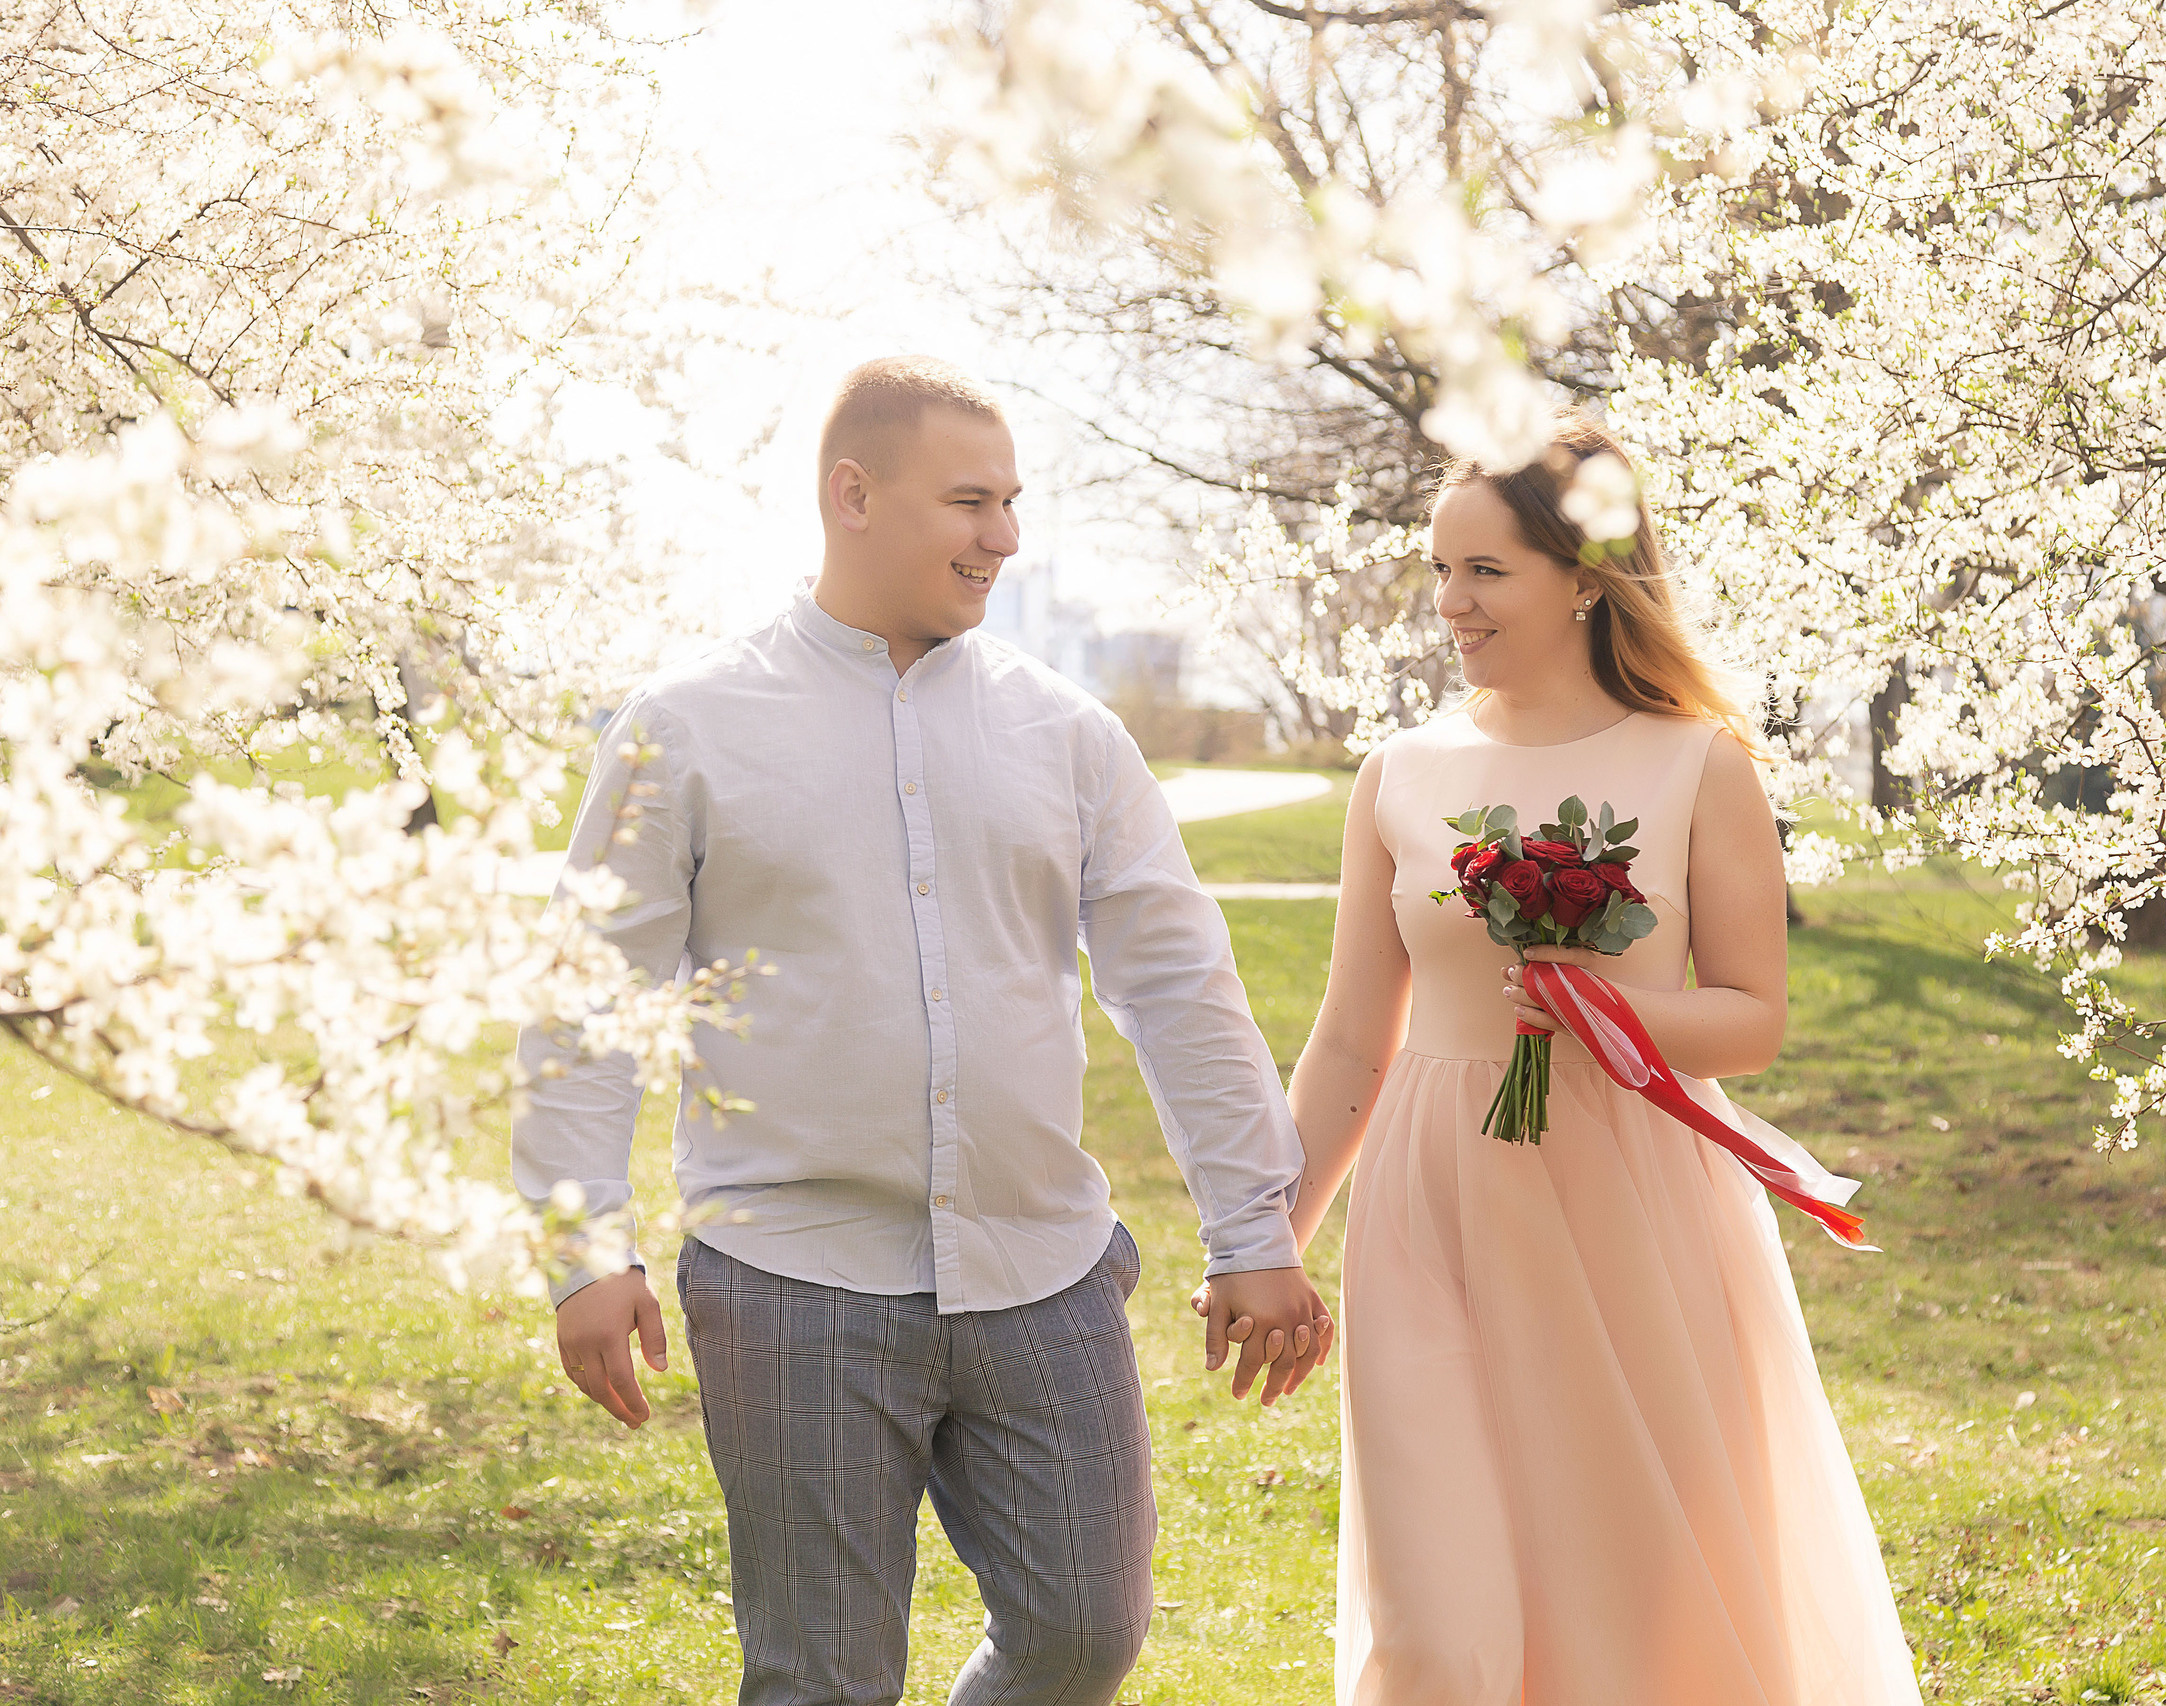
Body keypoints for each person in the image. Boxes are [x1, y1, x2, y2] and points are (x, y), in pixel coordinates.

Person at [512, 356, 1333, 1706]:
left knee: (1085, 1637)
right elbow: (587, 999)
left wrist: (1255, 1231)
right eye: (969, 501)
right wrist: (582, 1246)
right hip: (792, 1277)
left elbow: (1180, 982)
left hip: (1044, 1270)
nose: (1004, 536)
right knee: (820, 1676)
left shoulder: (1069, 734)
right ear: (854, 494)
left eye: (1011, 503)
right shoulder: (687, 729)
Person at [1280, 417, 1919, 1703]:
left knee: (1636, 1594)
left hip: (1633, 1197)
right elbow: (1354, 1033)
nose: (1451, 603)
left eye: (1486, 571)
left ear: (1583, 577)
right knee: (1433, 1608)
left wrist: (1599, 1011)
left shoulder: (1697, 761)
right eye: (1440, 570)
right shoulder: (1398, 773)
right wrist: (1265, 1238)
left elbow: (1750, 1013)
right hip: (1429, 1203)